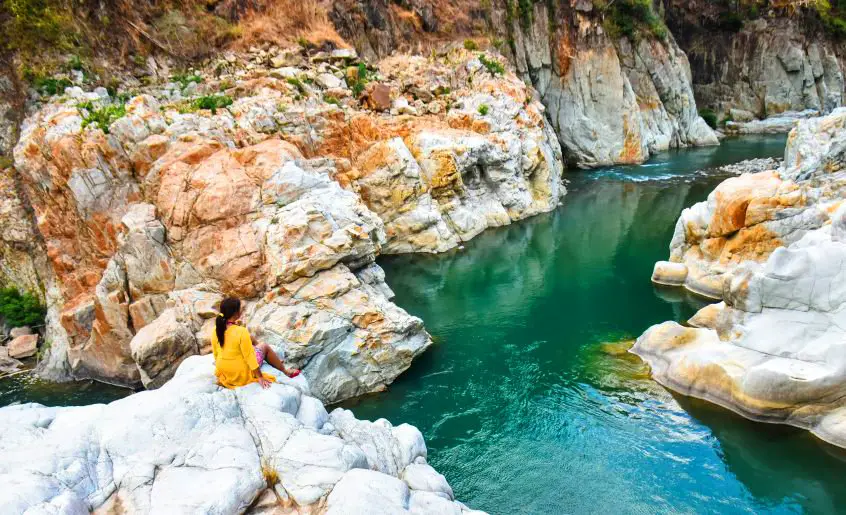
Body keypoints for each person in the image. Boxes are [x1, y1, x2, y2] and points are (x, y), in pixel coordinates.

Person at [212, 297, 300, 389]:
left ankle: (272, 359)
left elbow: (216, 353)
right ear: (236, 313)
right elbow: (249, 357)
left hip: (224, 370)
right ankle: (285, 371)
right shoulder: (241, 331)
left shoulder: (216, 329)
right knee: (264, 346)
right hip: (239, 372)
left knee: (250, 338)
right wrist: (260, 377)